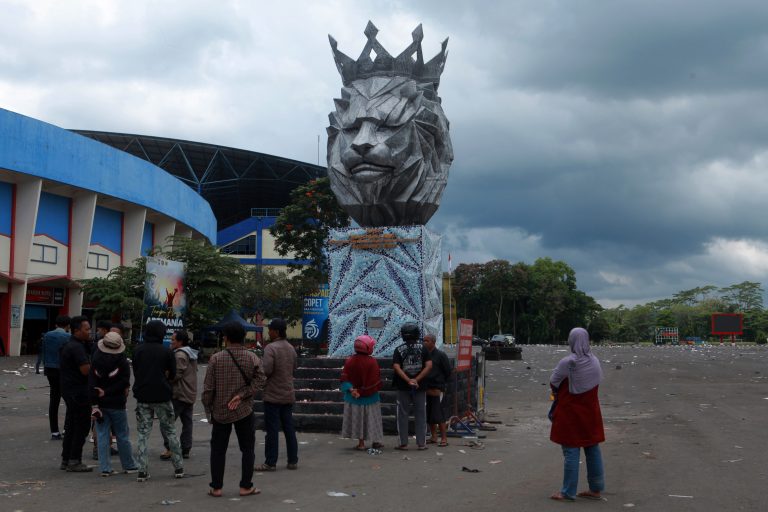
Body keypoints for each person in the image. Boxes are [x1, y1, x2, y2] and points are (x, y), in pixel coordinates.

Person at [202, 322, 266, 497]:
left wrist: (209, 410)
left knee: (218, 450)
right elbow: (261, 380)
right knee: (247, 449)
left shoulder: (216, 358)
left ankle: (216, 487)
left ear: (226, 338)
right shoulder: (252, 358)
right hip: (244, 409)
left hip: (220, 411)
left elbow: (208, 389)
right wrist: (243, 394)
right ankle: (246, 486)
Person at [549, 327, 606, 502]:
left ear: (571, 341)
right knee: (592, 447)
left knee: (571, 449)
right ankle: (596, 489)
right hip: (591, 411)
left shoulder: (568, 362)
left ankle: (567, 491)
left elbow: (554, 382)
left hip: (571, 412)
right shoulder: (594, 361)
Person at [132, 319, 184, 482]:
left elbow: (136, 370)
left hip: (143, 395)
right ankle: (178, 468)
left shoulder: (138, 350)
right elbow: (173, 374)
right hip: (163, 395)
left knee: (143, 434)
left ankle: (142, 470)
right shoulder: (166, 351)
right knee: (170, 431)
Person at [89, 331, 139, 476]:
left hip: (100, 403)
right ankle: (129, 465)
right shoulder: (122, 361)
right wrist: (109, 391)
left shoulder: (96, 359)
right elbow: (124, 381)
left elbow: (91, 382)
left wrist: (94, 403)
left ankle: (105, 468)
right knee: (122, 435)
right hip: (117, 403)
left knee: (103, 435)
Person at [255, 318, 298, 472]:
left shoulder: (270, 348)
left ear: (277, 331)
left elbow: (266, 370)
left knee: (272, 430)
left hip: (273, 395)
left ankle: (270, 462)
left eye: (271, 329)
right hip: (287, 394)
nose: (269, 332)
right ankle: (293, 460)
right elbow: (294, 368)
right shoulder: (291, 348)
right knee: (288, 428)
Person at [59, 316, 93, 472]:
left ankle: (66, 459)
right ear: (77, 330)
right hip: (78, 392)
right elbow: (85, 370)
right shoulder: (76, 347)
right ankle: (74, 460)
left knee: (72, 426)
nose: (89, 331)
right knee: (81, 426)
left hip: (69, 390)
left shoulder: (72, 344)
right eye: (86, 329)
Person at [391, 322, 432, 450]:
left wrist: (408, 380)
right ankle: (421, 443)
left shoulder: (398, 349)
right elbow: (429, 365)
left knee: (402, 414)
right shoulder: (424, 348)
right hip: (420, 386)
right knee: (421, 414)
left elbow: (396, 367)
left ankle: (403, 443)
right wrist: (416, 379)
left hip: (403, 386)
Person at [340, 334, 383, 451]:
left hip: (354, 397)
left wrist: (352, 390)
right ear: (368, 347)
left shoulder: (349, 361)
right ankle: (376, 441)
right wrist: (366, 390)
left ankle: (361, 444)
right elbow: (376, 380)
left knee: (359, 420)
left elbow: (344, 378)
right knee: (373, 419)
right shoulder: (372, 361)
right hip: (371, 397)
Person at [161, 330, 198, 460]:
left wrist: (165, 377)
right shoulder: (190, 353)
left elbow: (176, 375)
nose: (171, 342)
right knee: (187, 422)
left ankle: (170, 448)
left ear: (180, 342)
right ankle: (186, 448)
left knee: (166, 422)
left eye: (173, 340)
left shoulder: (180, 355)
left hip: (179, 394)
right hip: (190, 393)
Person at [42, 315, 70, 440]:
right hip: (63, 370)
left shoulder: (47, 335)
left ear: (56, 325)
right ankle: (66, 428)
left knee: (54, 400)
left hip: (49, 369)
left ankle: (54, 431)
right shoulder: (68, 337)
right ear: (68, 326)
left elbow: (44, 352)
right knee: (69, 400)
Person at [423, 333, 452, 447]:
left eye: (427, 341)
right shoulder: (423, 355)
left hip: (437, 388)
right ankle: (434, 436)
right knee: (429, 413)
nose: (424, 343)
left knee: (439, 414)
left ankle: (444, 438)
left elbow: (447, 372)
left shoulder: (440, 355)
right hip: (426, 388)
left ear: (433, 342)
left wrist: (441, 384)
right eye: (424, 340)